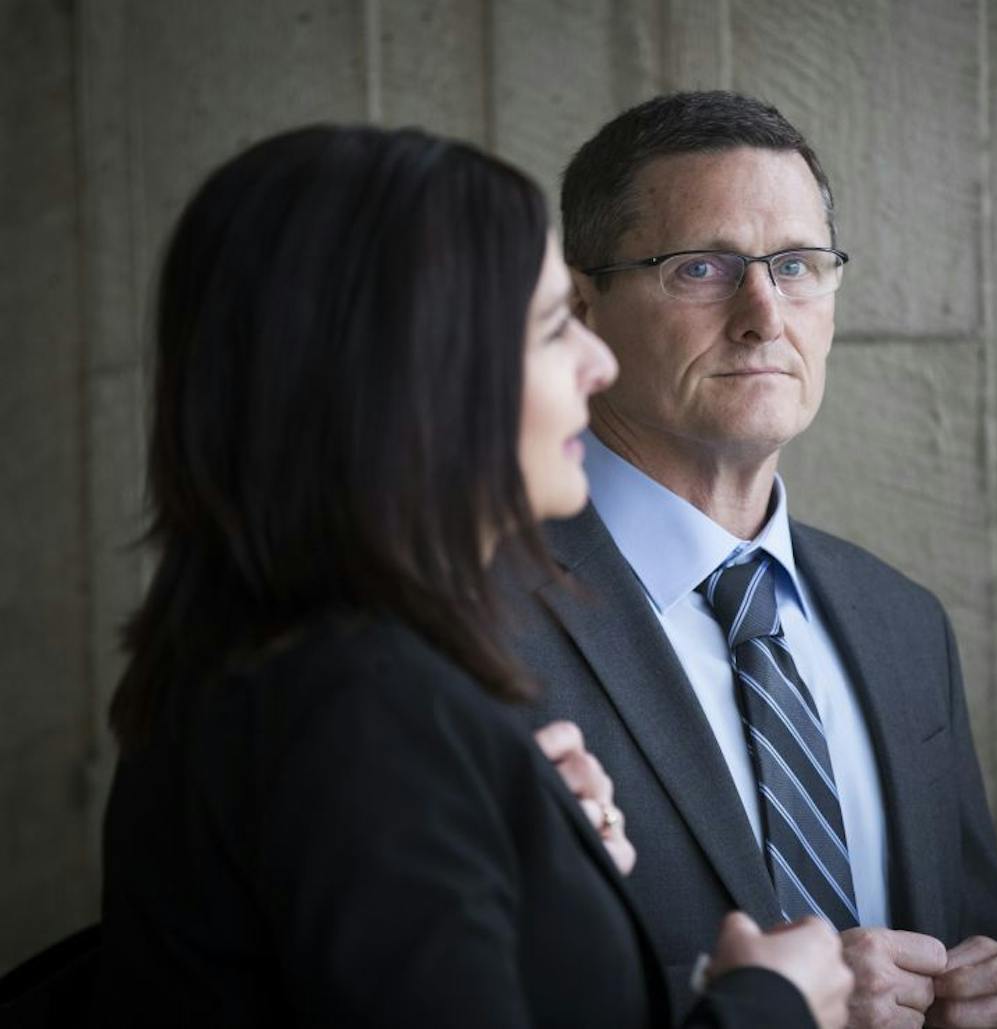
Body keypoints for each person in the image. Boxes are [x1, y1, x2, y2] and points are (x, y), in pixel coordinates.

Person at [92, 123, 853, 1028]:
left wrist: (514, 846)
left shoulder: (299, 682)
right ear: (411, 378)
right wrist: (772, 1005)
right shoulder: (363, 710)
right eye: (549, 328)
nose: (598, 362)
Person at [497, 92, 997, 1028]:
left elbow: (989, 934)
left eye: (798, 266)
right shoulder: (471, 614)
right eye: (700, 268)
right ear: (582, 302)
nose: (765, 315)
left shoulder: (902, 622)